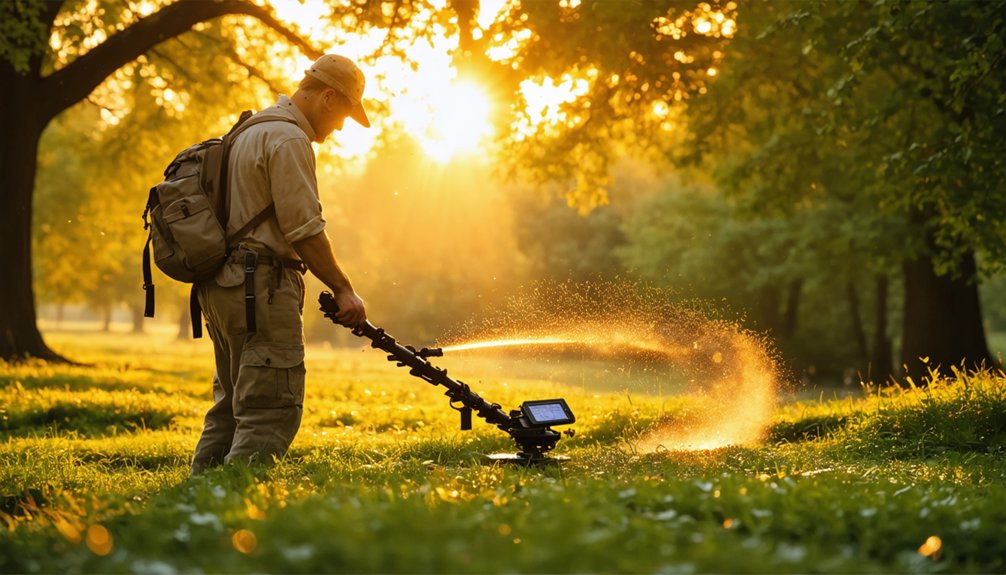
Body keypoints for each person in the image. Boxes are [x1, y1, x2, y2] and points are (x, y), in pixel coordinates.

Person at [190, 54, 369, 474]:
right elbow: (304, 229)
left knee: (232, 405)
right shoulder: (289, 140)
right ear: (328, 97)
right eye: (343, 114)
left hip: (222, 286)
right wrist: (343, 288)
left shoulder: (248, 130)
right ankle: (235, 510)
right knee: (269, 407)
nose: (340, 126)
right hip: (260, 288)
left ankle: (196, 502)